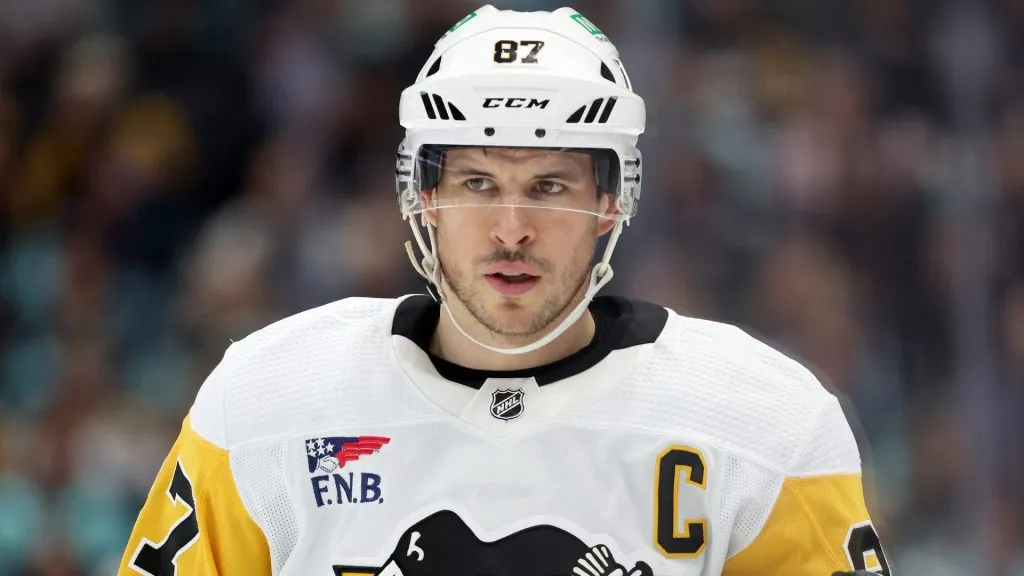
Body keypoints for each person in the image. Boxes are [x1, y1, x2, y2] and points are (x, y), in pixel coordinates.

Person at [118, 6, 891, 576]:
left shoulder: (764, 428)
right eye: (478, 183)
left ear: (613, 201)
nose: (511, 228)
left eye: (549, 186)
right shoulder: (264, 405)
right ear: (421, 197)